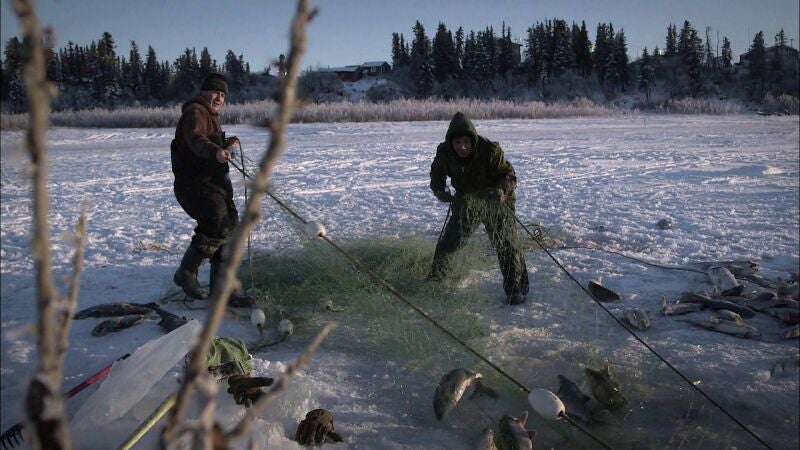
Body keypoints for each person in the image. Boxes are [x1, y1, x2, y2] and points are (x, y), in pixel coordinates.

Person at [170, 72, 254, 307]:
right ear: (203, 92)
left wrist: (225, 146)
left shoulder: (209, 115)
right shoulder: (195, 112)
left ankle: (222, 290)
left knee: (230, 227)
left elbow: (208, 143)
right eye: (215, 92)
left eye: (223, 95)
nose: (219, 97)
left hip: (212, 184)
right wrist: (215, 151)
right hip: (195, 184)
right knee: (217, 225)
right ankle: (186, 272)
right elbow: (196, 139)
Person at [429, 112, 529, 305]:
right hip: (467, 201)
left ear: (473, 140)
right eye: (458, 143)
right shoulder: (444, 153)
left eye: (467, 142)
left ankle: (515, 288)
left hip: (497, 201)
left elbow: (509, 175)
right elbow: (436, 174)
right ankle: (437, 279)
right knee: (450, 242)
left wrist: (501, 191)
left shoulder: (490, 151)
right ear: (451, 142)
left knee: (506, 245)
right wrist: (440, 191)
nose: (463, 147)